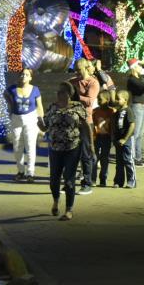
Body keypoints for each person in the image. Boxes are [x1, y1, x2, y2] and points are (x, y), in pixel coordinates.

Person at [39, 81, 86, 220]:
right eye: (58, 92)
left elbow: (85, 126)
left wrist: (90, 145)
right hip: (55, 148)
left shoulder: (78, 107)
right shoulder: (53, 107)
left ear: (69, 94)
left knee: (69, 180)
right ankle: (55, 201)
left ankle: (69, 210)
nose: (59, 95)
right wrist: (40, 125)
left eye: (62, 92)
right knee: (54, 180)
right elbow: (45, 127)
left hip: (73, 147)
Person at [4, 68, 44, 182]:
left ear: (30, 78)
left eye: (26, 75)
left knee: (30, 146)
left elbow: (39, 106)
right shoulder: (12, 89)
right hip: (16, 119)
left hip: (31, 119)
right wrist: (10, 107)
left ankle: (30, 173)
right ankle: (20, 171)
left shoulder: (35, 89)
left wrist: (41, 123)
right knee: (17, 146)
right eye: (22, 74)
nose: (23, 76)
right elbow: (5, 95)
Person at [69, 58, 99, 195]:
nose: (77, 72)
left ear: (87, 68)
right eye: (75, 69)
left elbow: (89, 101)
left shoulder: (93, 82)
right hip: (72, 120)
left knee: (86, 153)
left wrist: (74, 96)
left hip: (86, 122)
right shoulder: (72, 81)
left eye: (79, 69)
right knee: (70, 153)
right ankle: (68, 184)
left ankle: (87, 183)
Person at [112, 90, 137, 188]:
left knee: (128, 160)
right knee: (119, 162)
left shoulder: (128, 111)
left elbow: (132, 125)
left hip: (127, 141)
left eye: (119, 99)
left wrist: (125, 139)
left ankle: (131, 181)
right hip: (118, 140)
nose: (117, 100)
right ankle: (118, 181)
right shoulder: (118, 111)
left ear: (125, 100)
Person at [92, 90, 115, 187]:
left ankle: (103, 180)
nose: (98, 101)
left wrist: (113, 138)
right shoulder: (95, 111)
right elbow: (92, 125)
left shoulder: (112, 112)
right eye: (97, 99)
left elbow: (114, 126)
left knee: (104, 159)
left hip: (107, 138)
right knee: (94, 158)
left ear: (107, 100)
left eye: (100, 99)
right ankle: (93, 179)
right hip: (97, 137)